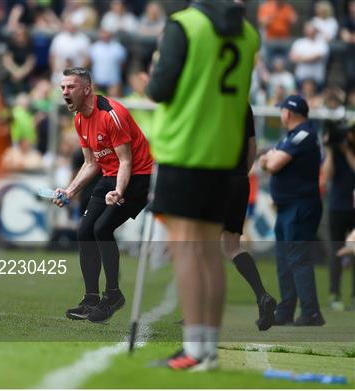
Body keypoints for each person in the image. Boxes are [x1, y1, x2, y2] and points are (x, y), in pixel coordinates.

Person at [145, 0, 259, 371]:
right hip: (223, 154)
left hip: (186, 148)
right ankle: (207, 349)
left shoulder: (186, 25)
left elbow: (159, 89)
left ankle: (193, 350)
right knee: (210, 252)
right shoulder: (247, 34)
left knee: (187, 249)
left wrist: (156, 63)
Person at [54, 67, 153, 323]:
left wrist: (118, 192)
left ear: (87, 89)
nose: (64, 92)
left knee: (102, 229)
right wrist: (70, 191)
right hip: (109, 175)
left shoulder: (112, 115)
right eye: (63, 87)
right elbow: (91, 163)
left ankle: (113, 295)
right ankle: (90, 298)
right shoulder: (78, 119)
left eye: (70, 87)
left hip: (137, 177)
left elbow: (126, 162)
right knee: (84, 231)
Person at [259, 95, 325, 327]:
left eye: (282, 110)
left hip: (300, 206)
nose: (280, 114)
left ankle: (311, 312)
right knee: (284, 260)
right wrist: (268, 159)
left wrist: (268, 159)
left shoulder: (304, 134)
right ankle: (286, 311)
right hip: (289, 206)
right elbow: (267, 160)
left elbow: (273, 163)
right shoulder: (295, 136)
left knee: (297, 258)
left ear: (288, 113)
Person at [222, 105, 277, 331]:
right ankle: (262, 295)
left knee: (200, 247)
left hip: (214, 181)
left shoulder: (208, 100)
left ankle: (198, 313)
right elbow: (252, 146)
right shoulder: (243, 106)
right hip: (240, 180)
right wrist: (241, 175)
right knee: (233, 247)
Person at [322, 121, 355, 311]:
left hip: (353, 207)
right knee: (336, 251)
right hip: (338, 207)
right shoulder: (334, 152)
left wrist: (347, 151)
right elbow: (327, 175)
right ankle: (334, 293)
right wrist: (331, 151)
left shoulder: (350, 151)